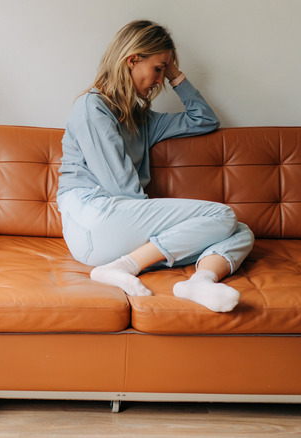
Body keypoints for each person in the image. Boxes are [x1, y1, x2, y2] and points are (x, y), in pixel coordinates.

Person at [57, 20, 254, 313]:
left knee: (239, 231)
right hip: (92, 221)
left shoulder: (144, 120)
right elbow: (120, 186)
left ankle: (200, 282)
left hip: (119, 227)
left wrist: (174, 72)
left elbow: (204, 119)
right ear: (132, 60)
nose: (161, 80)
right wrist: (166, 230)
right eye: (158, 69)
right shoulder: (92, 106)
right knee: (221, 216)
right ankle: (123, 266)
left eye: (165, 72)